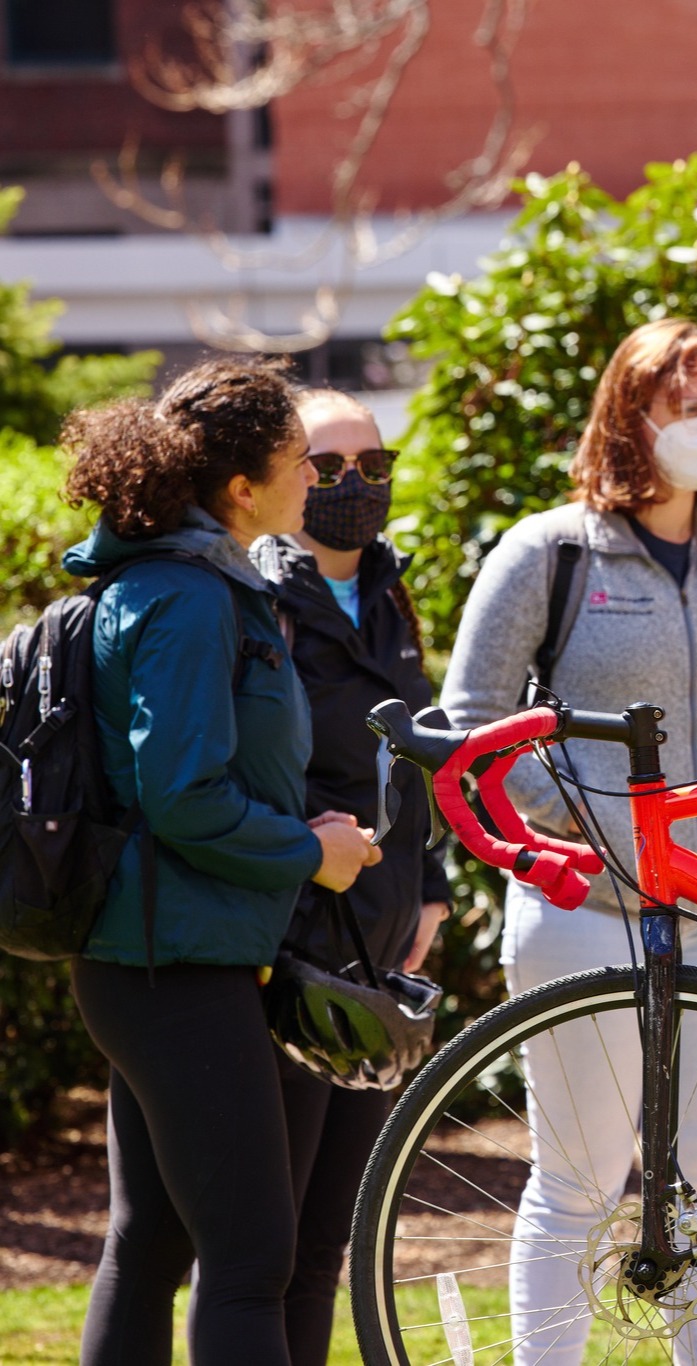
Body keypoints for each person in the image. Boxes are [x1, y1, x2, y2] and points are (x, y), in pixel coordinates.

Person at [441, 317, 697, 1363]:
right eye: (684, 407)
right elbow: (470, 729)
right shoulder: (549, 552)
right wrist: (592, 824)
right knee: (577, 1181)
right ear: (630, 415)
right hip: (585, 911)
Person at [60, 358, 381, 1366]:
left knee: (152, 1242)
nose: (318, 482)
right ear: (242, 487)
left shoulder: (192, 582)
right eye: (301, 462)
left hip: (166, 956)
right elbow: (180, 791)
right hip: (171, 966)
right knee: (250, 1261)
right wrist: (309, 853)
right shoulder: (188, 598)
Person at [249, 388, 451, 1364]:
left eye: (372, 465)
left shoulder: (391, 588)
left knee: (331, 1232)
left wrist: (437, 889)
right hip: (287, 945)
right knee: (265, 1236)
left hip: (378, 943)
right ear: (288, 475)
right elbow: (240, 768)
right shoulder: (259, 596)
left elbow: (419, 753)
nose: (352, 485)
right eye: (326, 467)